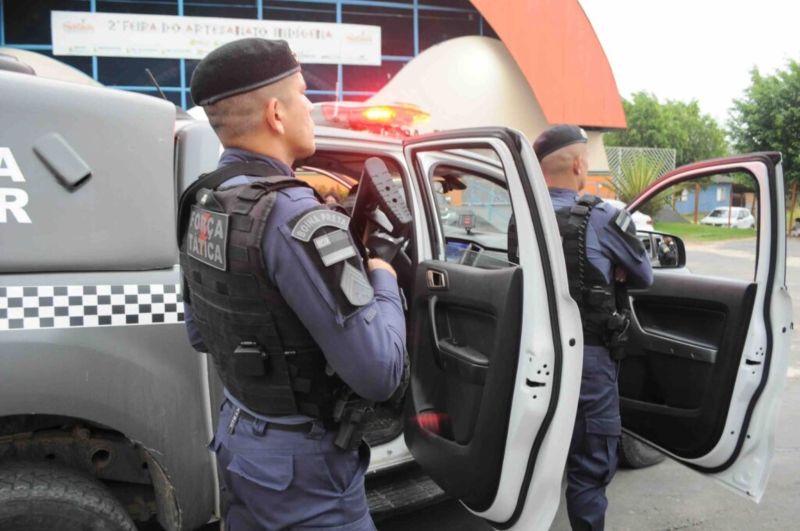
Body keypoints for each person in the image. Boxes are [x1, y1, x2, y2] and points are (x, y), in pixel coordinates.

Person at [179, 38, 406, 530]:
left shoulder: (203, 201)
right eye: (304, 95)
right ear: (277, 114)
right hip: (305, 476)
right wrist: (383, 274)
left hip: (240, 440)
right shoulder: (296, 218)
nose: (310, 107)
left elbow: (200, 334)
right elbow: (380, 373)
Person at [533, 125, 653, 531]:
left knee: (535, 456)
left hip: (533, 357)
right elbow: (644, 274)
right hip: (590, 360)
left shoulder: (523, 217)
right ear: (580, 165)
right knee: (589, 468)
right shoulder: (602, 217)